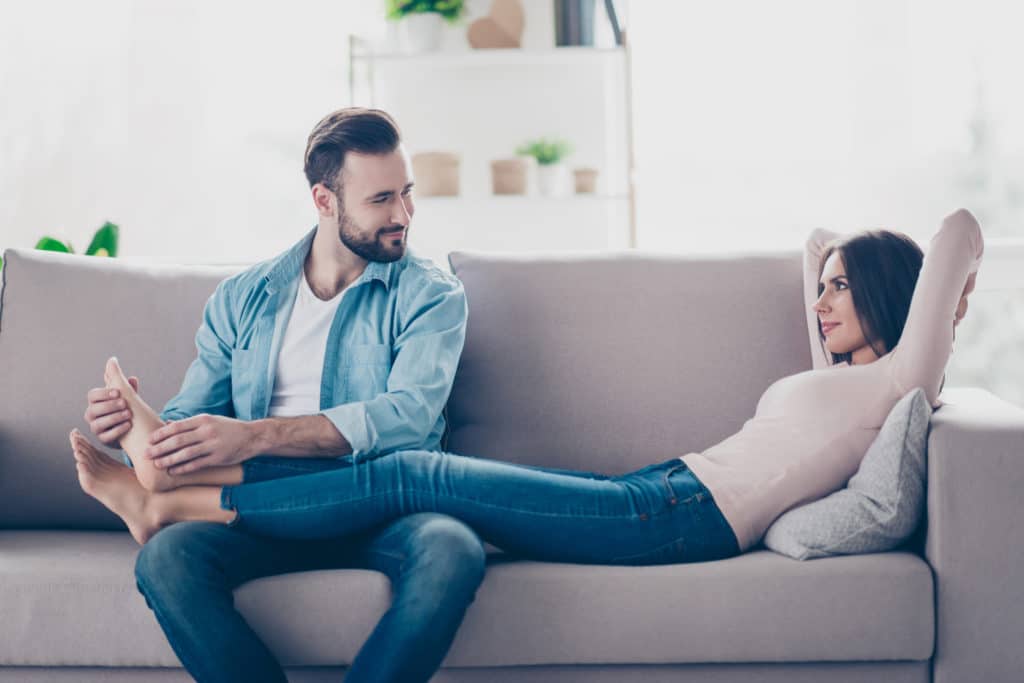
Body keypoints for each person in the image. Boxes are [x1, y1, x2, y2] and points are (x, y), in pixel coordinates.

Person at [72, 209, 983, 569]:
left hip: (679, 521)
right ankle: (178, 490)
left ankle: (178, 500)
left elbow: (959, 230)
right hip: (661, 484)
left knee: (417, 472)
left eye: (841, 286)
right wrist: (834, 262)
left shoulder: (901, 382)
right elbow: (817, 243)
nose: (820, 299)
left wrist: (934, 297)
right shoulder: (841, 379)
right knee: (414, 475)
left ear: (903, 303)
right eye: (818, 288)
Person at [78, 107, 487, 683]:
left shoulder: (430, 295)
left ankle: (160, 498)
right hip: (263, 516)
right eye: (380, 200)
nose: (403, 215)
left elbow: (409, 416)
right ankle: (156, 490)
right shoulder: (244, 298)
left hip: (383, 506)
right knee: (167, 560)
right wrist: (135, 430)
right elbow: (193, 415)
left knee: (453, 550)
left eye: (407, 193)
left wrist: (255, 436)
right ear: (324, 200)